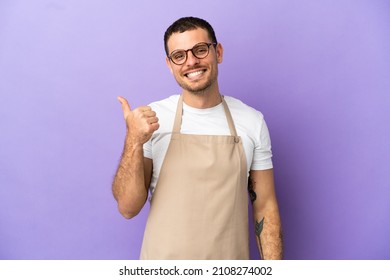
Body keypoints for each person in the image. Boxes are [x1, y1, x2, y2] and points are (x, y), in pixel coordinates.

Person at [112, 16, 283, 260]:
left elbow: (265, 206)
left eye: (200, 50)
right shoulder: (153, 119)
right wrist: (133, 140)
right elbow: (128, 208)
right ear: (169, 64)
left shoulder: (251, 121)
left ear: (218, 52)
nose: (191, 62)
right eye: (179, 56)